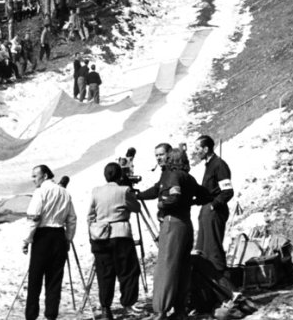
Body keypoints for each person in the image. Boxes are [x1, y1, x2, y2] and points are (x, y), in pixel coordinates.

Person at [137, 149, 210, 320]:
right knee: (183, 268)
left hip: (172, 224)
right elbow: (205, 195)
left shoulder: (173, 175)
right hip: (186, 224)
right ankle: (180, 310)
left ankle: (161, 310)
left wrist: (162, 204)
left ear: (172, 160)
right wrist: (191, 202)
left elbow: (173, 197)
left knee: (166, 267)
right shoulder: (189, 178)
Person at [87, 163, 141, 320]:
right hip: (120, 235)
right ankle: (128, 303)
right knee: (129, 271)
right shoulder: (124, 191)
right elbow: (136, 208)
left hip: (100, 236)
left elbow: (90, 215)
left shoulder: (96, 191)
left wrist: (93, 232)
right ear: (120, 176)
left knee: (104, 273)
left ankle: (106, 309)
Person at [22, 165, 77, 320]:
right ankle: (51, 315)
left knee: (35, 278)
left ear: (45, 176)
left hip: (42, 236)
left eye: (35, 176)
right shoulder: (65, 193)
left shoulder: (40, 192)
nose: (33, 180)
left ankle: (31, 315)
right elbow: (72, 219)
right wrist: (68, 238)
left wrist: (27, 240)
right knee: (55, 279)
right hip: (59, 236)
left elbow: (34, 217)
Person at [194, 135, 234, 272]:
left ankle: (227, 288)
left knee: (213, 249)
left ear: (206, 149)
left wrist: (214, 205)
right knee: (204, 250)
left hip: (215, 212)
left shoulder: (219, 165)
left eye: (197, 148)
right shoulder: (209, 165)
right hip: (207, 211)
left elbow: (227, 191)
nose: (196, 151)